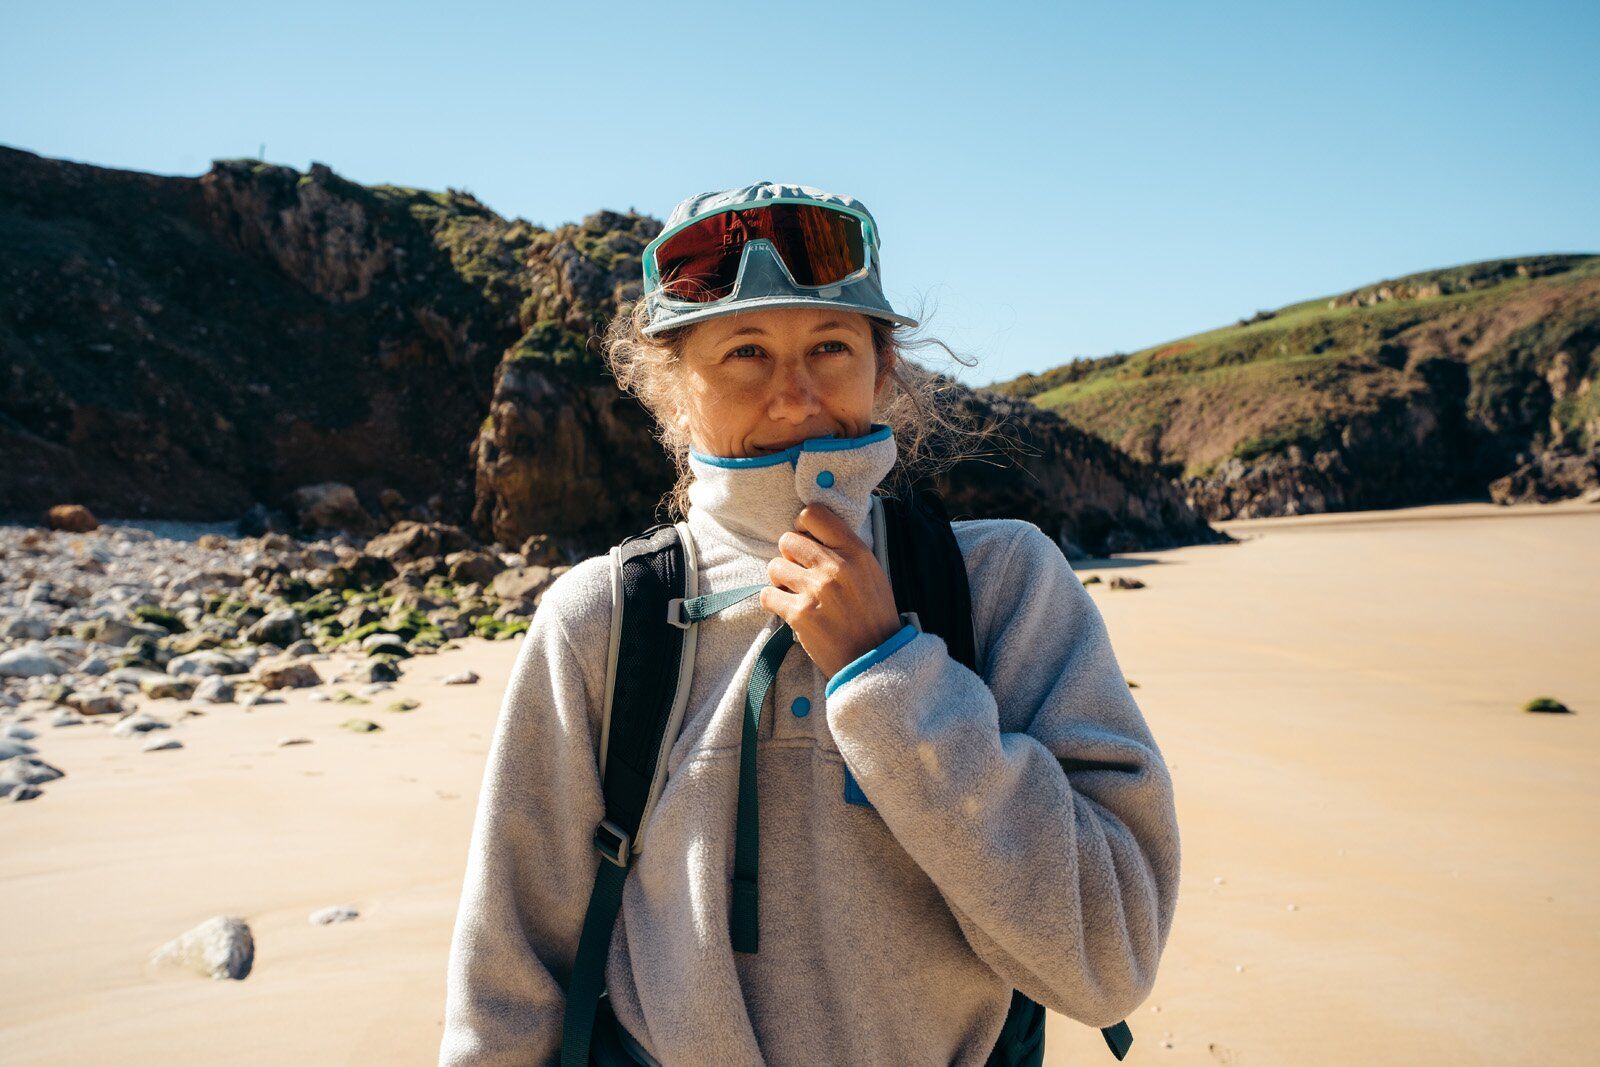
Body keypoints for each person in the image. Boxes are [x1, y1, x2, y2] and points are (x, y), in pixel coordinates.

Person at [438, 182, 1181, 1066]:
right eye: (746, 351)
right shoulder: (602, 621)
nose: (794, 396)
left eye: (830, 345)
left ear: (884, 368)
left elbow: (1112, 961)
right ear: (674, 393)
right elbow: (504, 997)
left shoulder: (1002, 585)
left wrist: (890, 674)